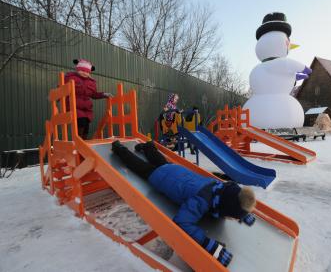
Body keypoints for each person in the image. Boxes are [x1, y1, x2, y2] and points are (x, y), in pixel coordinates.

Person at [111, 140, 257, 267]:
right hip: (162, 178)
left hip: (178, 171)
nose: (231, 219)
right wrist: (209, 245)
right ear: (225, 209)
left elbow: (231, 197)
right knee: (139, 166)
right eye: (232, 217)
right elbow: (182, 222)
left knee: (160, 161)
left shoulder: (219, 187)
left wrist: (241, 212)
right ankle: (119, 149)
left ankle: (149, 147)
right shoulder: (201, 200)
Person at [65, 59, 112, 139]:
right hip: (74, 106)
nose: (84, 73)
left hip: (86, 109)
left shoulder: (91, 82)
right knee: (81, 121)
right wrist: (57, 96)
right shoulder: (71, 77)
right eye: (82, 70)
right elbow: (62, 87)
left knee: (86, 124)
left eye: (87, 72)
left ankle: (84, 141)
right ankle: (78, 140)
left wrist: (104, 94)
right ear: (77, 69)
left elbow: (93, 94)